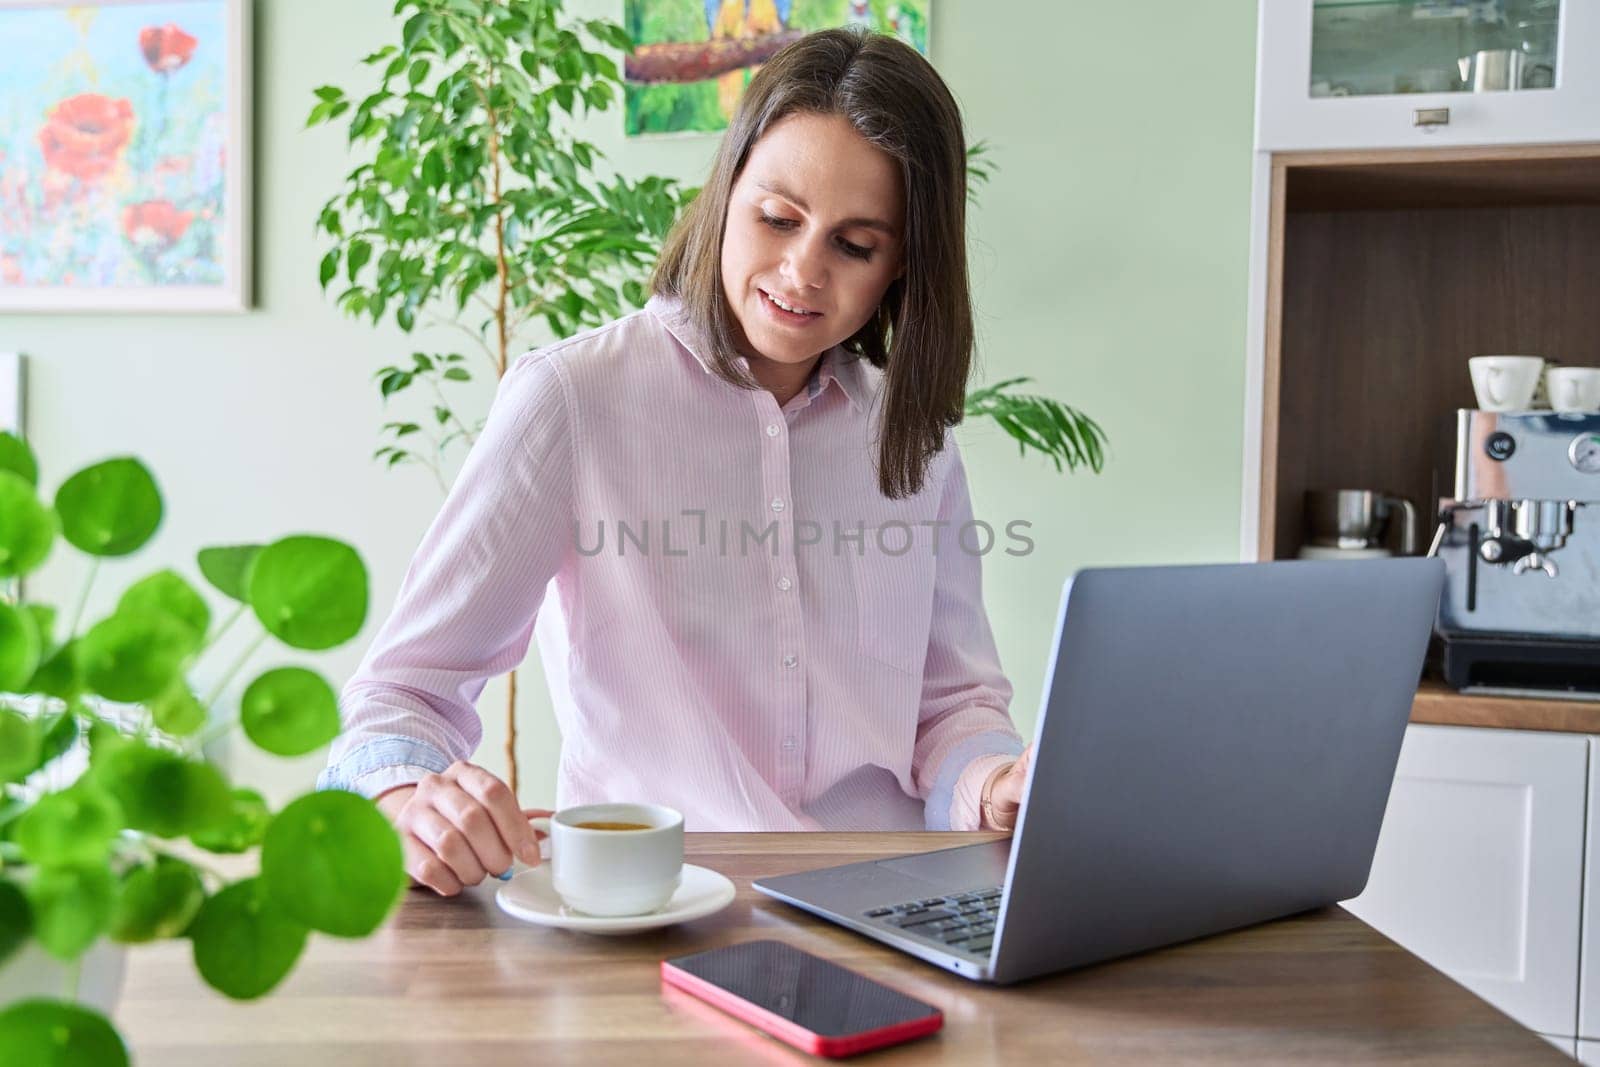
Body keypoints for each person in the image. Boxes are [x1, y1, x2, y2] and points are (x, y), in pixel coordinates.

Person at [320, 27, 1034, 897]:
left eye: (854, 245)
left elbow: (952, 709)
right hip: (651, 904)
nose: (802, 271)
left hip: (885, 901)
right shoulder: (572, 399)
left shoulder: (911, 434)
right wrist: (407, 797)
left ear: (901, 265)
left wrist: (995, 781)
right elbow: (401, 693)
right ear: (725, 195)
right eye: (778, 218)